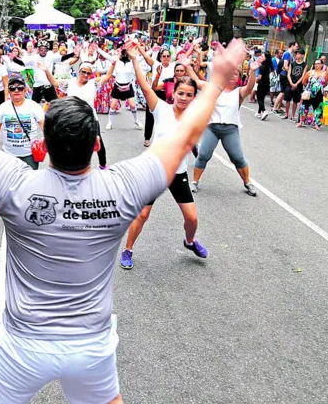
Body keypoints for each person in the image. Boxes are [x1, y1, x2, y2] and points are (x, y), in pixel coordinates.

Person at [0, 24, 248, 404]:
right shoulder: (122, 187)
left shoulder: (15, 184)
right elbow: (185, 134)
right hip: (90, 339)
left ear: (42, 147)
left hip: (23, 342)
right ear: (96, 143)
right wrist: (215, 80)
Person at [119, 50, 207, 269]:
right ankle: (128, 250)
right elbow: (144, 85)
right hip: (154, 172)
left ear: (193, 97)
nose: (184, 98)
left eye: (189, 95)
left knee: (192, 219)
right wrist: (133, 60)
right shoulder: (161, 109)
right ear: (173, 93)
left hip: (177, 174)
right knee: (143, 214)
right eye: (181, 93)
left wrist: (189, 67)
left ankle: (189, 241)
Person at [192, 55, 262, 197]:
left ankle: (247, 182)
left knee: (237, 157)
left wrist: (253, 72)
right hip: (212, 129)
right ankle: (194, 182)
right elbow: (196, 82)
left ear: (238, 77)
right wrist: (188, 66)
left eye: (235, 74)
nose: (232, 76)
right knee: (203, 155)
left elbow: (249, 87)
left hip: (230, 130)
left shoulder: (239, 92)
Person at [0, 73, 45, 224]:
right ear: (8, 91)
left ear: (25, 90)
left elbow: (45, 128)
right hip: (8, 154)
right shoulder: (3, 108)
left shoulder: (33, 107)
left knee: (29, 185)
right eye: (13, 88)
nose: (16, 90)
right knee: (0, 184)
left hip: (29, 154)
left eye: (20, 87)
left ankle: (29, 212)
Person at [42, 60, 115, 169]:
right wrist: (46, 70)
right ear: (79, 71)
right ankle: (68, 166)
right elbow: (55, 83)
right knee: (70, 141)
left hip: (90, 118)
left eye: (88, 73)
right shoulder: (70, 83)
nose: (86, 75)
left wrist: (113, 64)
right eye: (83, 72)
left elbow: (108, 75)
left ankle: (103, 165)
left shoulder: (93, 83)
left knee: (98, 141)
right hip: (73, 117)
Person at [99, 45, 142, 131]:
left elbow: (143, 57)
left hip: (128, 85)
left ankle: (136, 120)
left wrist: (152, 49)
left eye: (125, 52)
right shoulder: (115, 60)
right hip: (118, 85)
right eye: (122, 52)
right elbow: (106, 55)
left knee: (132, 105)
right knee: (113, 105)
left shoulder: (132, 61)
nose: (123, 54)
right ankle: (110, 122)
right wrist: (97, 48)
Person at [297, 59, 328, 129]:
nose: (316, 65)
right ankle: (301, 121)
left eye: (318, 63)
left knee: (318, 108)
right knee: (304, 107)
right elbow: (304, 82)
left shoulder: (324, 73)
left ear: (322, 65)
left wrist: (319, 87)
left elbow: (325, 83)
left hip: (319, 93)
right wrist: (310, 88)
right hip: (309, 92)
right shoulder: (310, 72)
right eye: (315, 64)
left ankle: (316, 123)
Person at [281, 48, 306, 121]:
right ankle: (286, 114)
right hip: (290, 83)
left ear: (302, 55)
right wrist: (291, 83)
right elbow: (288, 74)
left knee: (295, 100)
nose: (297, 55)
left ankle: (293, 115)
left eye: (298, 54)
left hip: (298, 85)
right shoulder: (292, 63)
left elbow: (303, 75)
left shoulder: (304, 64)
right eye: (296, 54)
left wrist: (296, 84)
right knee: (287, 99)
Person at [254, 51, 273, 120]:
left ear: (266, 58)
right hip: (267, 84)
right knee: (262, 98)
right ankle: (259, 112)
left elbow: (259, 77)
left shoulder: (262, 66)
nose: (261, 57)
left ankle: (264, 111)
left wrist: (256, 80)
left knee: (259, 98)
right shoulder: (270, 66)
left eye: (262, 56)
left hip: (261, 83)